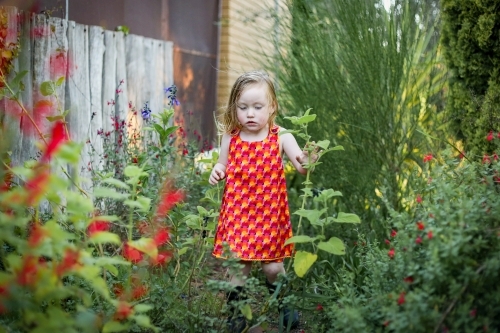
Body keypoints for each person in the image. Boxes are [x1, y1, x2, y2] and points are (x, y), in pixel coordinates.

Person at [209, 70, 317, 332]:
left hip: (269, 215)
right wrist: (217, 171)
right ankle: (238, 317)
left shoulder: (281, 137)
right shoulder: (231, 138)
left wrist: (308, 158)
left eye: (258, 107)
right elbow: (222, 165)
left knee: (272, 267)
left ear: (272, 107)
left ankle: (286, 311)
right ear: (235, 108)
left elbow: (302, 168)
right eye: (243, 107)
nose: (250, 114)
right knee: (238, 269)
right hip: (238, 213)